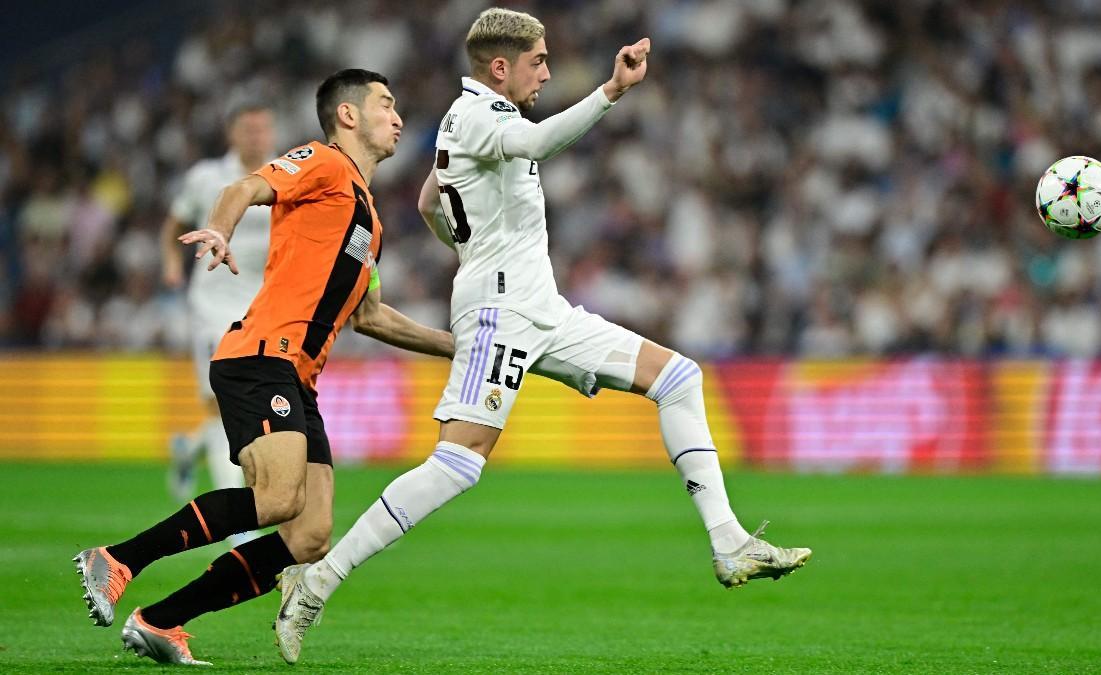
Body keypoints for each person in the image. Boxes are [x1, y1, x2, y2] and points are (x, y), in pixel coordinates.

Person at [273, 8, 811, 664]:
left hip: (541, 307)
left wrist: (469, 247)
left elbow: (427, 201)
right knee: (459, 463)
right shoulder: (478, 117)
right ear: (500, 67)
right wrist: (610, 91)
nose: (548, 71)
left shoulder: (475, 124)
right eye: (539, 61)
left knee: (678, 376)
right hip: (501, 311)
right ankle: (316, 580)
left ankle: (728, 541)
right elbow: (533, 146)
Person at [73, 68, 454, 666]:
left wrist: (459, 347)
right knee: (276, 499)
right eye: (386, 103)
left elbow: (372, 317)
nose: (399, 115)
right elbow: (244, 188)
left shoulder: (370, 220)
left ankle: (161, 620)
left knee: (310, 534)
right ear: (349, 115)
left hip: (298, 377)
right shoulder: (323, 163)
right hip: (260, 356)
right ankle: (119, 558)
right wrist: (221, 233)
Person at [160, 104, 274, 546]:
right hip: (212, 301)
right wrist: (171, 263)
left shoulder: (281, 173)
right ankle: (237, 522)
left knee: (248, 406)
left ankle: (189, 449)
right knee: (219, 403)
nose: (257, 136)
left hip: (262, 305)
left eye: (263, 127)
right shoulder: (206, 177)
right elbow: (174, 223)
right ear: (232, 132)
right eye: (248, 128)